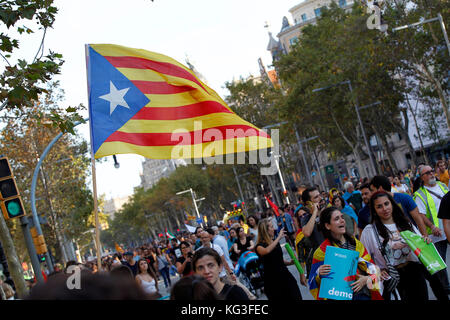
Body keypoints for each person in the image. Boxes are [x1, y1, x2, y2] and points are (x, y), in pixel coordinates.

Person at [360, 191, 446, 300]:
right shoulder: (370, 231)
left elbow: (419, 244)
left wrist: (425, 241)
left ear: (392, 204)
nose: (385, 208)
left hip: (415, 272)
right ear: (375, 211)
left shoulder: (405, 223)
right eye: (379, 206)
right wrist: (376, 271)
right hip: (392, 278)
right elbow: (363, 258)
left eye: (386, 204)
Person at [309, 207, 382, 300]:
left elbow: (373, 268)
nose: (342, 220)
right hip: (338, 297)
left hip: (362, 294)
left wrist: (366, 279)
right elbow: (312, 282)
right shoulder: (321, 252)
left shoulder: (355, 244)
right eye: (336, 219)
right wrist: (318, 273)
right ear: (328, 226)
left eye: (342, 217)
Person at [413, 165, 450, 296]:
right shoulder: (420, 194)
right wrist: (433, 227)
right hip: (437, 234)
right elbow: (421, 214)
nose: (431, 174)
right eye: (427, 173)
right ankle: (446, 290)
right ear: (422, 178)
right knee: (441, 265)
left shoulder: (443, 186)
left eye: (432, 171)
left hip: (449, 229)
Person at [255, 219, 302, 300]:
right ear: (265, 230)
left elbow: (278, 259)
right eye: (272, 227)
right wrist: (279, 237)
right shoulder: (259, 246)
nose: (274, 229)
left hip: (285, 275)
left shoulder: (274, 242)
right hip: (272, 281)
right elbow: (266, 251)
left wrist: (289, 262)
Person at [300, 186, 325, 277]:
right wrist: (314, 212)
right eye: (316, 197)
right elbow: (306, 232)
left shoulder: (328, 212)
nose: (320, 198)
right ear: (309, 203)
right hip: (320, 261)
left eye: (320, 196)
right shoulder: (306, 218)